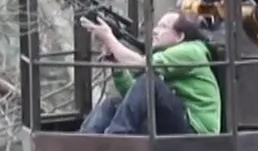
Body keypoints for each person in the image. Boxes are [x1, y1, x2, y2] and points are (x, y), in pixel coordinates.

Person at [79, 9, 222, 136]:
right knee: (113, 104)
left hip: (197, 129)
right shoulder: (167, 56)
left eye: (163, 27)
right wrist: (117, 64)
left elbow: (141, 65)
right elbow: (134, 96)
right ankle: (84, 143)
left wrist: (109, 39)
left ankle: (117, 138)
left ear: (179, 37)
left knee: (150, 81)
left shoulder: (192, 51)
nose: (155, 30)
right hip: (176, 117)